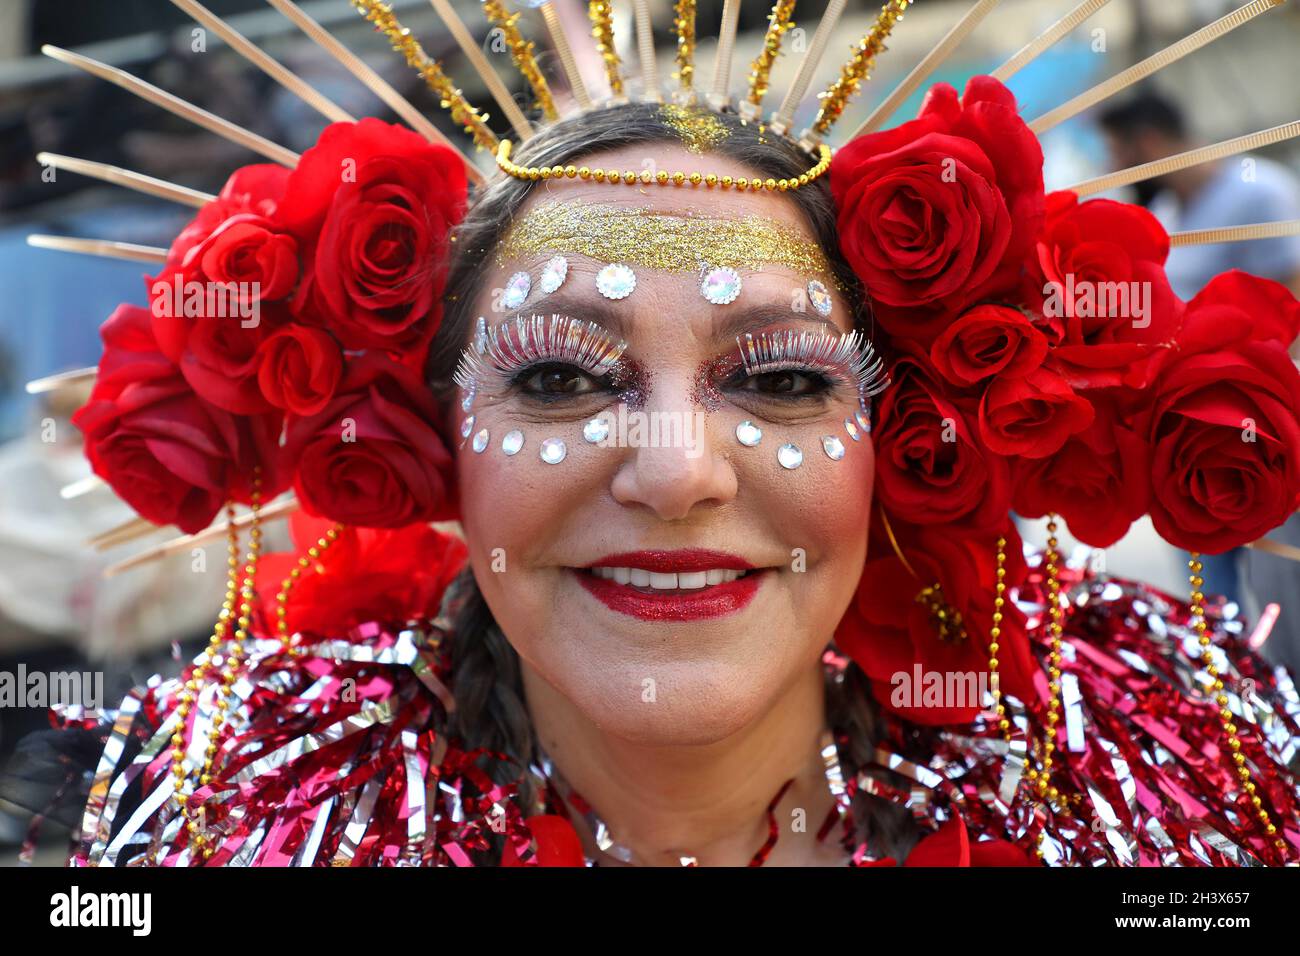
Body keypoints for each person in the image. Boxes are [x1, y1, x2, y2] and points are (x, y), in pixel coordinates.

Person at [5, 3, 1300, 868]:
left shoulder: (1166, 797)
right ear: (433, 446)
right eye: (562, 377)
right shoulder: (226, 823)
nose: (679, 470)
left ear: (895, 444)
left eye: (785, 384)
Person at [1098, 91, 1300, 612]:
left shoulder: (1260, 193)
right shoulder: (1164, 211)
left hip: (1262, 429)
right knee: (1210, 600)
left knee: (1280, 590)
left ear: (1147, 142)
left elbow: (1292, 305)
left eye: (1118, 151)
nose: (1113, 166)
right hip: (1184, 439)